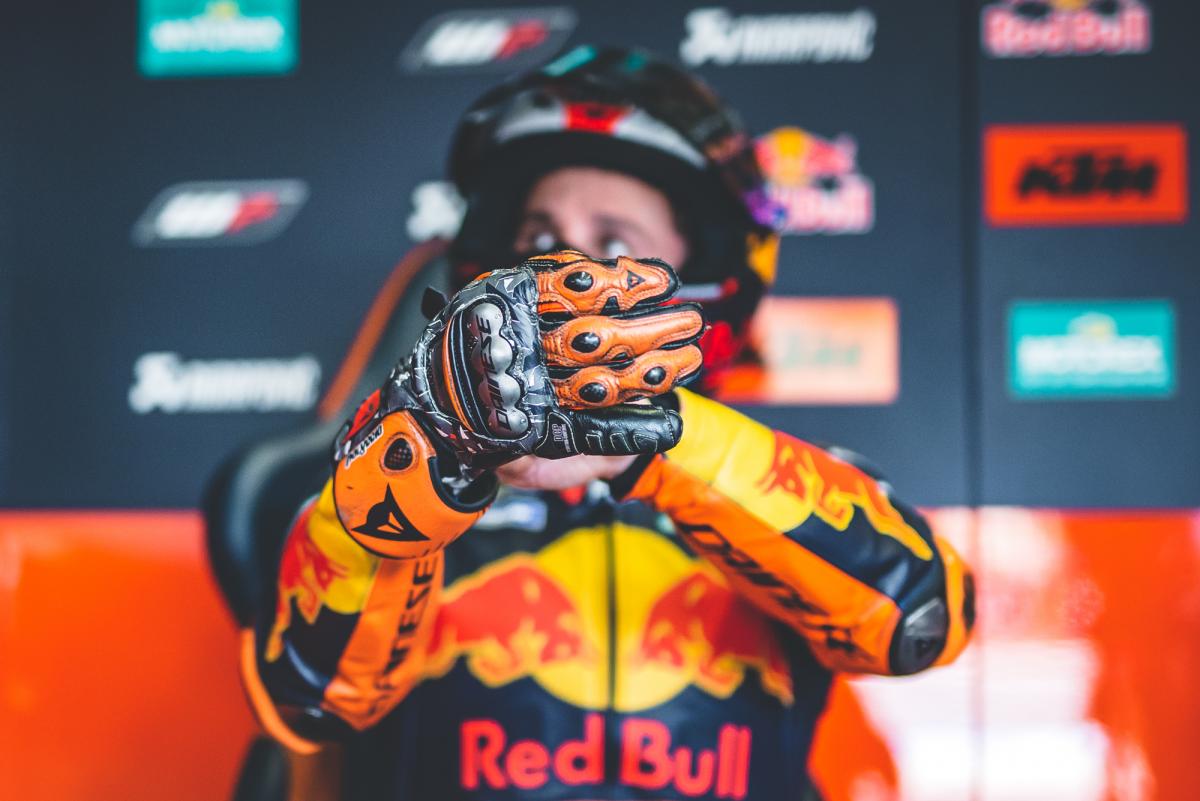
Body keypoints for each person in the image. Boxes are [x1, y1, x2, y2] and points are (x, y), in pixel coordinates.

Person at [242, 46, 975, 800]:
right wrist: (434, 453)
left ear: (704, 273)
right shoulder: (378, 475)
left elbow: (922, 618)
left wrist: (655, 444)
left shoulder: (782, 488)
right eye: (537, 238)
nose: (564, 266)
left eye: (615, 243)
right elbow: (311, 700)